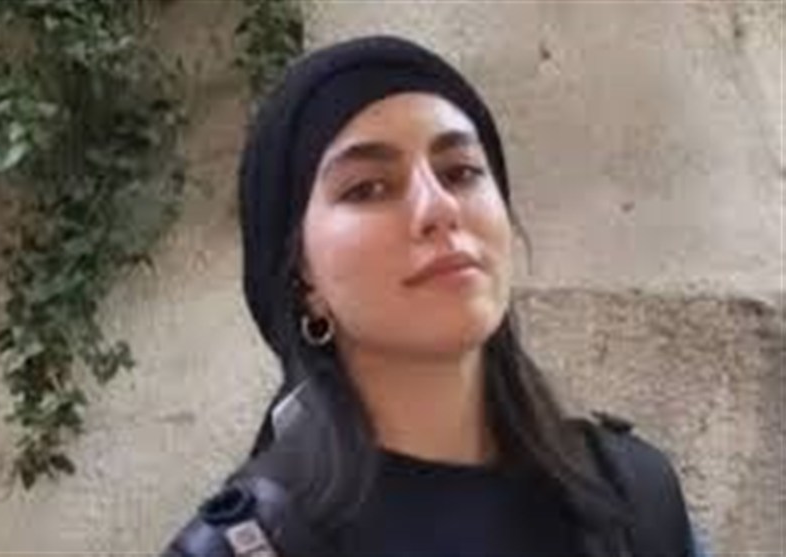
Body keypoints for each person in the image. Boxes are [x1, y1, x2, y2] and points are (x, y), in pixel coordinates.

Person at [162, 35, 709, 557]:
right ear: (304, 276)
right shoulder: (250, 545)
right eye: (368, 187)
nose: (439, 207)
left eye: (461, 172)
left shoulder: (633, 496)